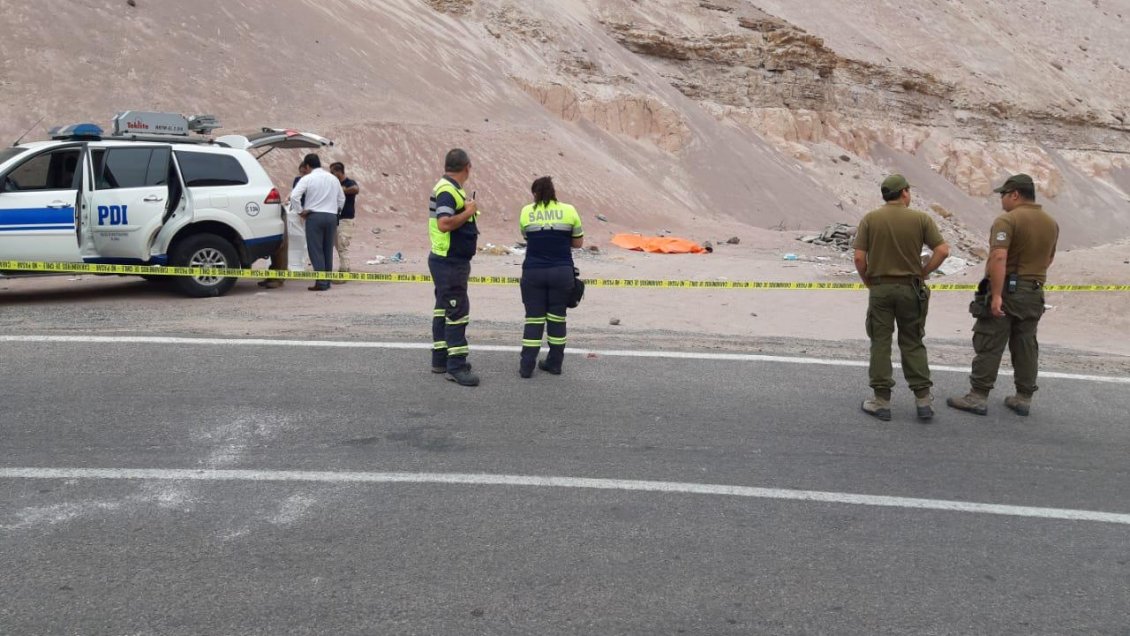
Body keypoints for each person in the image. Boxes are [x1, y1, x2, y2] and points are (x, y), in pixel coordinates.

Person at [947, 174, 1059, 417]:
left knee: (990, 340)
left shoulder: (1007, 221)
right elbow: (1049, 258)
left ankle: (978, 396)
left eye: (1004, 195)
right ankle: (1023, 397)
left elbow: (999, 257)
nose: (1001, 199)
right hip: (1034, 291)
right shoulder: (1051, 223)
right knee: (1026, 344)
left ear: (1015, 194)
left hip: (1009, 290)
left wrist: (997, 294)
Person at [853, 174, 950, 422]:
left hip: (881, 290)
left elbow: (859, 259)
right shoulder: (920, 219)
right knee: (912, 341)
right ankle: (923, 400)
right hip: (911, 289)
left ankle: (881, 401)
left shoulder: (870, 219)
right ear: (904, 192)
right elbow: (942, 250)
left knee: (881, 343)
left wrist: (869, 282)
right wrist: (923, 272)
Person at [517, 176, 584, 378]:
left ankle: (526, 367)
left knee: (534, 320)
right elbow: (578, 243)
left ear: (535, 193)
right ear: (554, 191)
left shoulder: (526, 212)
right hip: (561, 273)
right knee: (557, 319)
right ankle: (554, 364)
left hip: (533, 272)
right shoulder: (569, 210)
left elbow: (528, 238)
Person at [428, 148, 480, 386]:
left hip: (445, 259)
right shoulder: (448, 190)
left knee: (443, 309)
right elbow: (444, 223)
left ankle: (441, 358)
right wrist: (469, 211)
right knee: (457, 312)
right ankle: (456, 366)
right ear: (467, 167)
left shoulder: (449, 188)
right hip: (450, 261)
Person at [290, 154, 345, 292]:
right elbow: (341, 199)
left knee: (315, 250)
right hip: (331, 217)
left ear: (307, 166)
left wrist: (300, 211)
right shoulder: (333, 178)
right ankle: (327, 281)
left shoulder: (307, 178)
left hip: (314, 216)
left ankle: (321, 282)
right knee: (327, 250)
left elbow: (294, 196)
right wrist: (336, 212)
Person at [330, 162, 359, 280]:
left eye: (333, 172)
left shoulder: (349, 183)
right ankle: (345, 268)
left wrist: (341, 191)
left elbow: (355, 189)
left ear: (339, 172)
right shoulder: (334, 184)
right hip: (337, 218)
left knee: (343, 246)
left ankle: (343, 273)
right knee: (339, 246)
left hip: (346, 219)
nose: (331, 175)